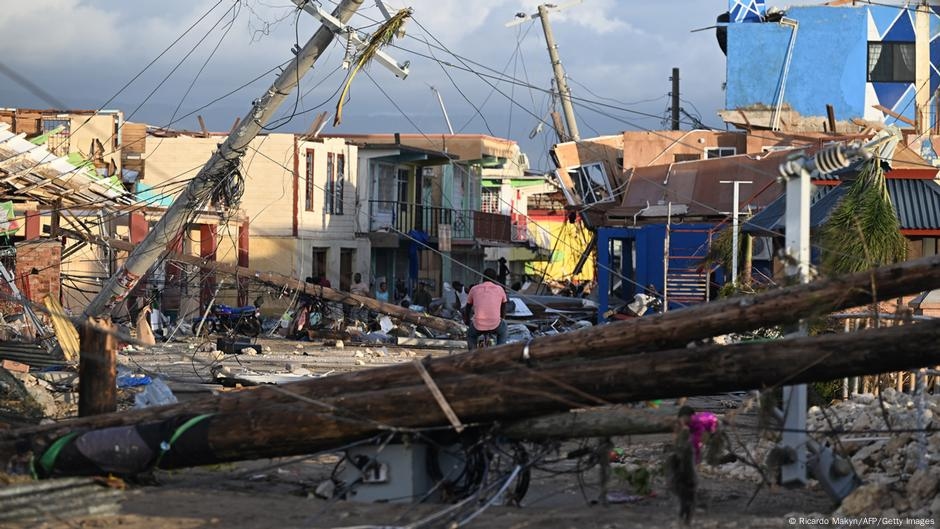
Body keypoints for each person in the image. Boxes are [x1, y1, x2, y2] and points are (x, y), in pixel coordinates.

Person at [463, 268, 508, 350]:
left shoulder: (474, 289)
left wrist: (467, 321)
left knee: (471, 336)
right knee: (503, 330)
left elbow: (468, 307)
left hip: (478, 325)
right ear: (495, 279)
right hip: (495, 324)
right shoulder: (500, 289)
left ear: (483, 278)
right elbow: (504, 306)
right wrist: (502, 318)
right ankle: (500, 351)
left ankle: (472, 355)